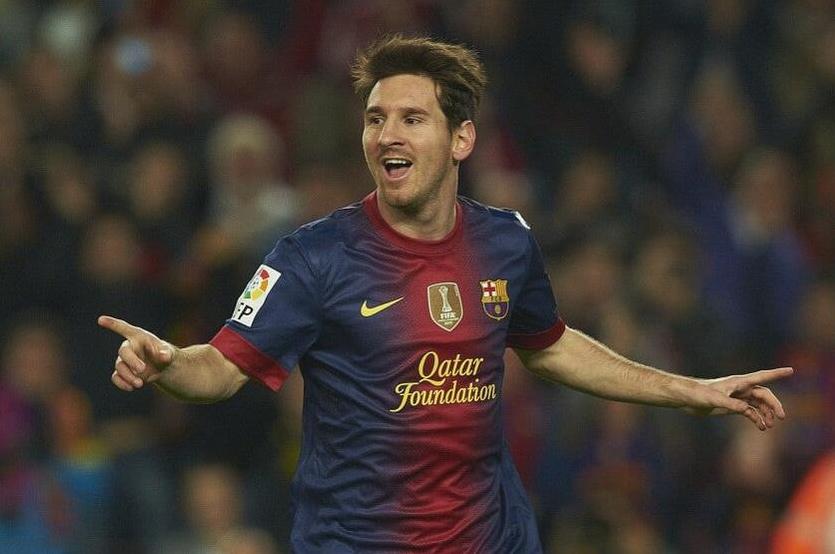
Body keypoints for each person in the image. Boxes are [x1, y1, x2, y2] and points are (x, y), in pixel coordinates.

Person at [98, 35, 792, 552]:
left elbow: (550, 348)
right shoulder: (312, 257)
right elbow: (221, 369)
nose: (386, 135)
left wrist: (691, 391)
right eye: (375, 118)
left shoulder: (506, 242)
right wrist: (169, 364)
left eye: (410, 118)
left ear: (462, 139)